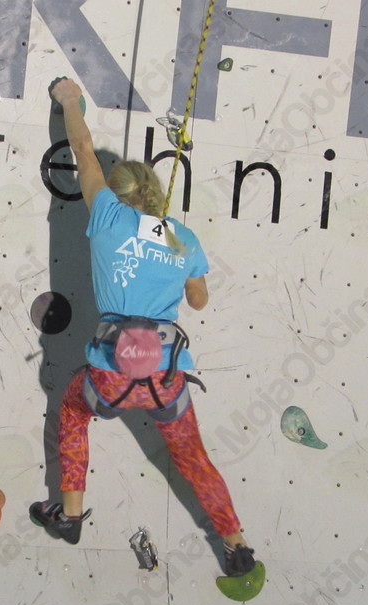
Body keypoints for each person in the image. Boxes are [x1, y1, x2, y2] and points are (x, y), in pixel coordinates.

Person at [30, 78, 256, 578]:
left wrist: (68, 100)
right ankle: (236, 544)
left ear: (118, 194)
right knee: (193, 456)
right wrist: (174, 267)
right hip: (165, 376)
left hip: (109, 374)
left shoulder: (108, 217)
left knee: (73, 412)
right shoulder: (182, 238)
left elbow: (83, 150)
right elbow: (198, 300)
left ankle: (70, 514)